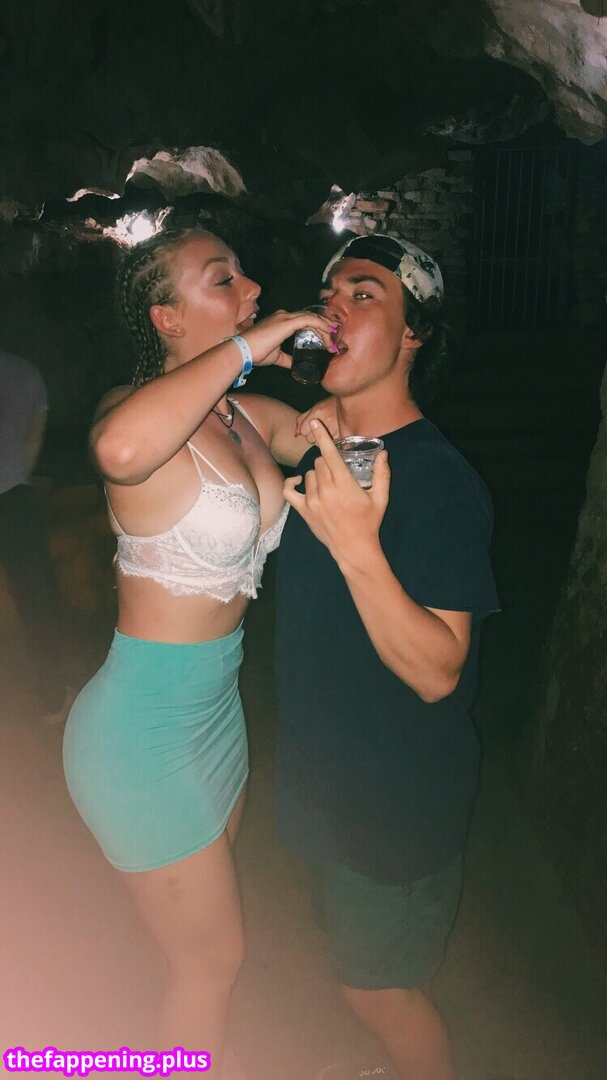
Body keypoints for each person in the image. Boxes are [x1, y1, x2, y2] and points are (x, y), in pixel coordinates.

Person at [62, 226, 336, 1078]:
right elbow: (118, 452)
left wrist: (355, 340)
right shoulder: (132, 408)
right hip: (138, 735)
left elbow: (332, 429)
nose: (250, 288)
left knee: (195, 961)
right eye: (223, 279)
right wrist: (255, 343)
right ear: (168, 317)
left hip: (218, 717)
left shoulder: (243, 415)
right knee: (211, 963)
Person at [276, 234, 499, 1080]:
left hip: (392, 803)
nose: (332, 306)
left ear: (414, 334)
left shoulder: (437, 478)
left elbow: (439, 671)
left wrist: (356, 547)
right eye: (327, 290)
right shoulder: (329, 452)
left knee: (382, 993)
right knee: (354, 967)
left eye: (362, 292)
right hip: (331, 786)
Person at [0, 348, 71, 719]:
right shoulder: (25, 372)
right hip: (14, 498)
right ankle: (52, 699)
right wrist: (16, 475)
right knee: (37, 600)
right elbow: (34, 435)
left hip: (14, 496)